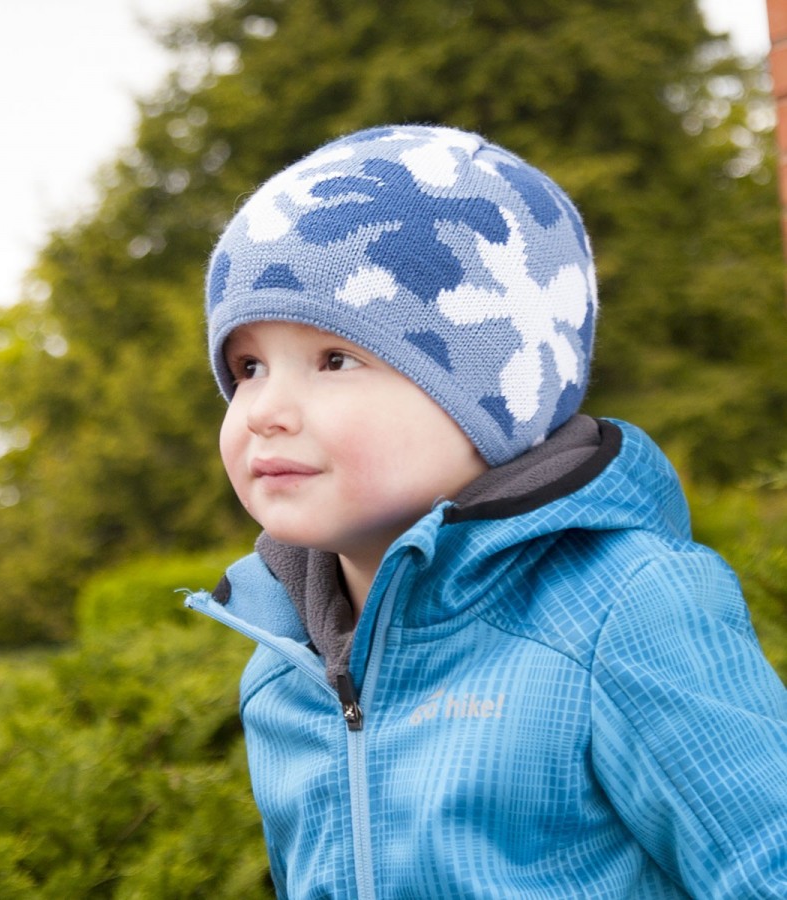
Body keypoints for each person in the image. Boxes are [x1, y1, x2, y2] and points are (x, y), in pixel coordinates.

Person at [186, 124, 787, 898]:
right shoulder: (284, 662)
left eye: (335, 360)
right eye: (248, 366)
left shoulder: (620, 609)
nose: (264, 409)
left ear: (495, 394)